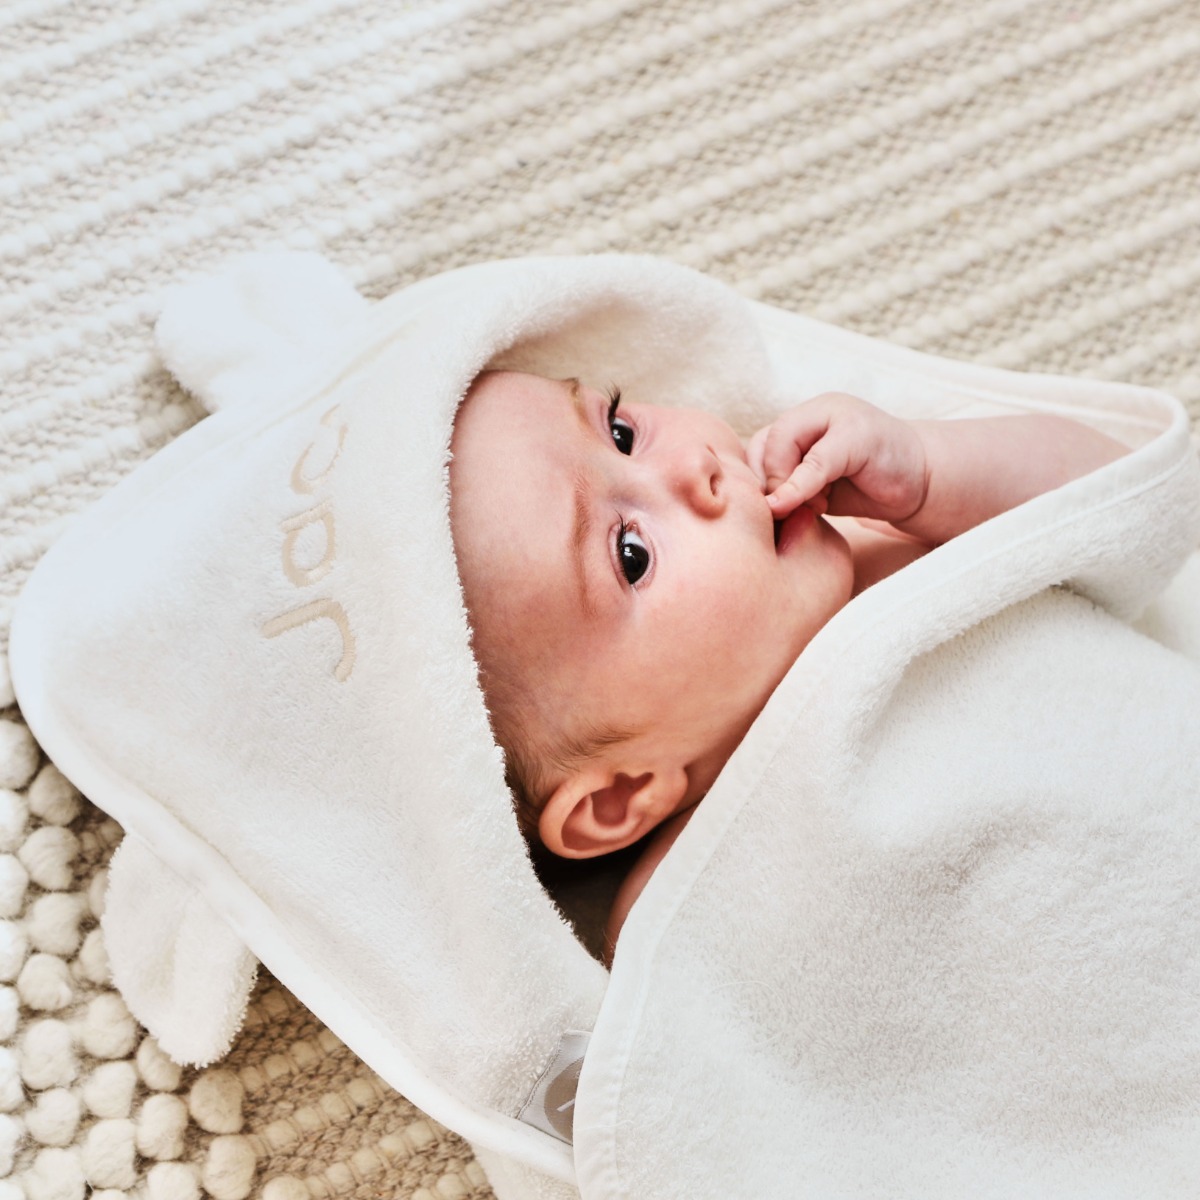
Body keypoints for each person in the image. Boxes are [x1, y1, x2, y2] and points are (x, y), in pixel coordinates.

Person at [448, 370, 1128, 959]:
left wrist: (930, 470)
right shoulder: (679, 917)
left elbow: (1122, 505)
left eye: (621, 431)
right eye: (632, 554)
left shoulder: (892, 539)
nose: (697, 470)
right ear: (617, 799)